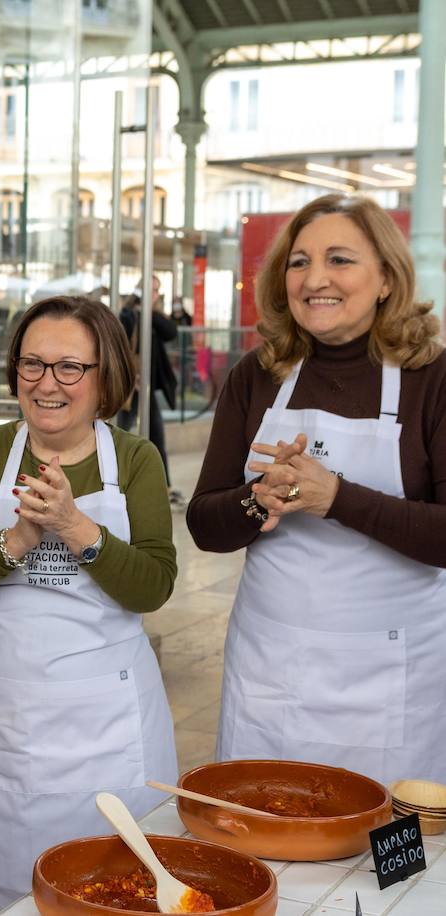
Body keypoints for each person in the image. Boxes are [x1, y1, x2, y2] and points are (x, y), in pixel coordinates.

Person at [0, 295, 178, 914]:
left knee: (114, 884)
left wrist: (75, 527)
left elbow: (153, 585)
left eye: (70, 367)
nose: (47, 383)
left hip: (108, 722)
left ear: (104, 377)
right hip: (1, 717)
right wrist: (14, 541)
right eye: (32, 364)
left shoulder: (137, 460)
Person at [187, 193, 446, 785]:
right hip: (273, 671)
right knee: (265, 841)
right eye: (299, 262)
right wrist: (259, 499)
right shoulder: (257, 375)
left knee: (391, 862)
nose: (315, 279)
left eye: (340, 260)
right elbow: (205, 525)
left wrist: (338, 498)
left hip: (394, 679)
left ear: (386, 278)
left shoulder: (433, 378)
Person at [119, 279, 182, 505]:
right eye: (151, 289)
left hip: (147, 386)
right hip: (132, 386)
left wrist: (149, 311)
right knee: (120, 431)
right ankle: (113, 480)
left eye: (157, 290)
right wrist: (130, 375)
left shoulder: (151, 316)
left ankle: (164, 486)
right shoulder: (128, 315)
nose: (155, 294)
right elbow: (120, 345)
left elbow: (170, 332)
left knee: (156, 436)